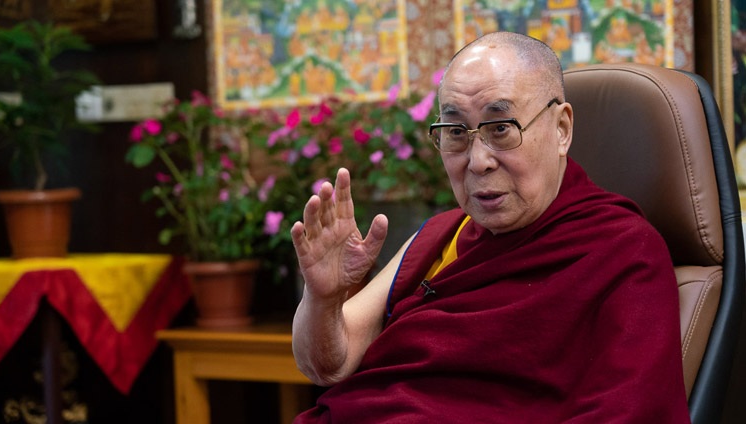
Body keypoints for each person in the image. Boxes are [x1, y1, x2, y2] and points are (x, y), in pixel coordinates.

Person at [290, 32, 690, 423]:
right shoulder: (441, 238)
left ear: (561, 129)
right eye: (456, 133)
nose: (478, 161)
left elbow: (628, 411)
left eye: (501, 128)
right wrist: (323, 299)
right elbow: (328, 366)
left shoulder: (624, 252)